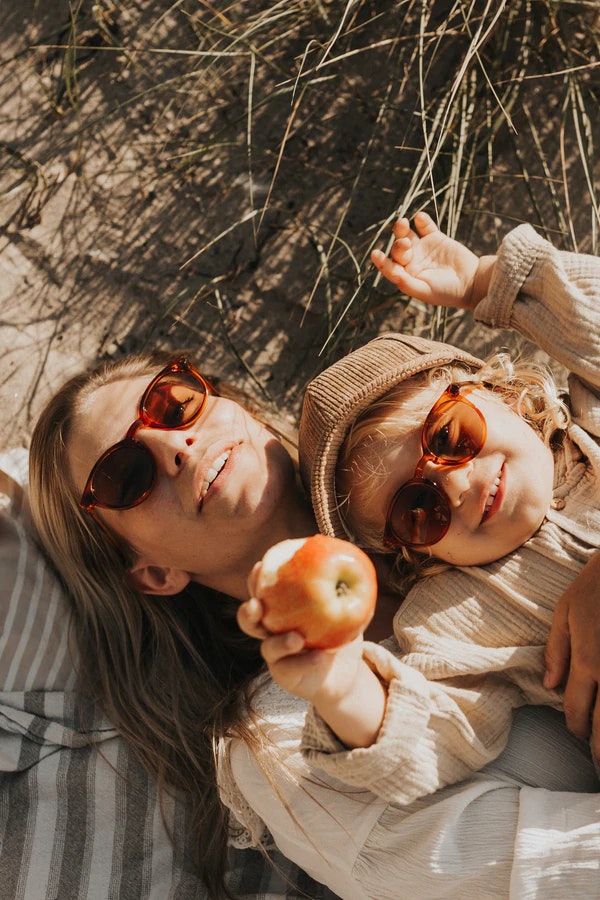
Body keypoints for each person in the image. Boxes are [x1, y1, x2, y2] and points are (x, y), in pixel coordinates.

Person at [28, 322, 600, 899]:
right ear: (155, 572)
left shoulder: (440, 440)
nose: (176, 446)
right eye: (127, 475)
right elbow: (539, 877)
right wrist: (342, 689)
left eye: (175, 403)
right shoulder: (277, 741)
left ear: (235, 405)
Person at [255, 212, 600, 810]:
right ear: (415, 554)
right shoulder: (458, 611)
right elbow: (429, 734)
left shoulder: (591, 410)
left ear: (495, 390)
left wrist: (486, 282)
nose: (458, 483)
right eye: (419, 509)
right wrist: (339, 686)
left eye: (450, 432)